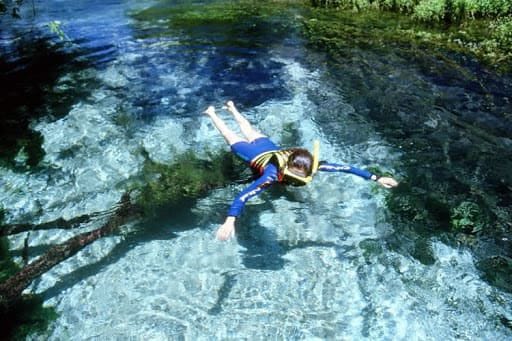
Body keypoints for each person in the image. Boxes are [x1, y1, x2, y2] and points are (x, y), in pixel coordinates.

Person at [204, 101, 399, 241]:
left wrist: (377, 177)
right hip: (250, 153)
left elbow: (346, 168)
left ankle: (232, 108)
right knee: (230, 134)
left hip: (269, 146)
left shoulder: (315, 166)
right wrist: (230, 221)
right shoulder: (270, 176)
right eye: (290, 179)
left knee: (248, 129)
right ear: (284, 169)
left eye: (299, 181)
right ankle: (213, 113)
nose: (294, 183)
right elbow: (242, 197)